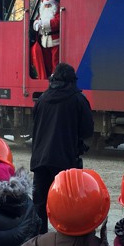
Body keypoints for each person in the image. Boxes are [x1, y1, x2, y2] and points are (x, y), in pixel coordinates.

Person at [30, 62, 94, 234]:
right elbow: (88, 130)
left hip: (40, 160)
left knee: (39, 205)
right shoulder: (78, 100)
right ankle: (66, 239)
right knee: (68, 204)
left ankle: (38, 241)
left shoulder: (42, 99)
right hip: (65, 161)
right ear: (72, 80)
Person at [31, 0, 60, 79]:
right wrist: (36, 24)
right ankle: (48, 74)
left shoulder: (56, 11)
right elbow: (37, 19)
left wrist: (43, 23)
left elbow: (57, 22)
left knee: (55, 59)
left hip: (55, 39)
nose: (47, 6)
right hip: (44, 40)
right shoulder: (42, 12)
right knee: (47, 60)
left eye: (49, 5)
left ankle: (55, 75)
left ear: (52, 5)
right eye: (46, 5)